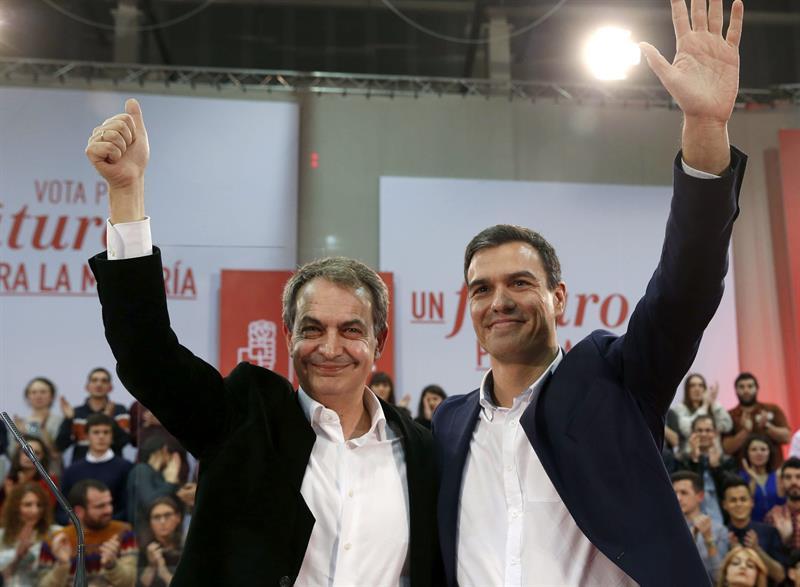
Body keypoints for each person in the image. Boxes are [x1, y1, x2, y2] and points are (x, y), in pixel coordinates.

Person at [431, 0, 747, 584]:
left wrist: (705, 129)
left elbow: (686, 287)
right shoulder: (447, 427)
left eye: (520, 283)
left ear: (560, 298)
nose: (498, 300)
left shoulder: (617, 379)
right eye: (482, 288)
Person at [83, 103, 441, 585]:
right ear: (288, 336)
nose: (330, 347)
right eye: (312, 328)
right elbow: (147, 353)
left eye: (351, 330)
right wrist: (127, 191)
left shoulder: (423, 450)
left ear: (379, 340)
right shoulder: (241, 419)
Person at [38, 480, 137, 587]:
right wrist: (63, 565)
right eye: (100, 506)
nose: (109, 510)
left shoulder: (123, 532)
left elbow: (130, 581)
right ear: (79, 511)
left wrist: (112, 565)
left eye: (109, 503)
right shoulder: (55, 540)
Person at [59, 414, 133, 524]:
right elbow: (61, 509)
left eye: (106, 432)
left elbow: (129, 507)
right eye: (96, 432)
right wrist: (73, 521)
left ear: (112, 436)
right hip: (79, 532)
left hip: (113, 529)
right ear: (87, 436)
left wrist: (104, 523)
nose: (101, 436)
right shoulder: (72, 470)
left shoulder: (126, 467)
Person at [56, 368, 131, 464]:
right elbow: (60, 445)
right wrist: (68, 419)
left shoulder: (119, 410)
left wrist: (108, 420)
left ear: (110, 387)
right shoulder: (76, 413)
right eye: (94, 380)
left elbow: (124, 441)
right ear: (87, 387)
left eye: (104, 381)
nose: (99, 384)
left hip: (113, 467)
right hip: (81, 467)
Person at [721, 478, 785, 584]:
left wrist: (757, 550)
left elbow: (780, 576)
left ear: (751, 502)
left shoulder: (769, 532)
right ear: (724, 505)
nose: (739, 504)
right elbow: (715, 577)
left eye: (743, 499)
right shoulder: (721, 535)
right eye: (733, 500)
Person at [723, 373, 791, 471]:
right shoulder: (730, 415)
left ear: (757, 388)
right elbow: (726, 448)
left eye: (750, 386)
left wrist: (767, 426)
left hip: (774, 471)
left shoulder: (772, 409)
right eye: (742, 387)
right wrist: (745, 432)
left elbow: (787, 437)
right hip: (742, 473)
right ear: (736, 390)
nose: (746, 390)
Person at [680, 414, 738, 526]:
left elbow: (730, 490)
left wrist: (716, 467)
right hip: (690, 521)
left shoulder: (727, 461)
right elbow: (686, 488)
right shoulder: (683, 460)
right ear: (692, 434)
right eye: (699, 430)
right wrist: (694, 461)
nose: (704, 434)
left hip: (722, 521)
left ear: (715, 434)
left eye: (708, 430)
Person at [672, 471, 729, 581]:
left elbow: (720, 577)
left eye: (684, 493)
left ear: (700, 496)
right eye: (675, 493)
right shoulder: (666, 529)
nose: (678, 498)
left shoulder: (719, 530)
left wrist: (708, 538)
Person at [0, 483, 61, 586]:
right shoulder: (2, 536)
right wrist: (18, 556)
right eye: (28, 505)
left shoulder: (56, 534)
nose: (35, 510)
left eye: (39, 505)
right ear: (15, 508)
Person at [126, 436, 182, 535]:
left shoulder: (157, 474)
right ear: (164, 450)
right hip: (143, 534)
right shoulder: (142, 469)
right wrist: (170, 482)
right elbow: (150, 501)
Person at [11, 377, 64, 475]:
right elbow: (12, 454)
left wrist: (44, 432)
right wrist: (18, 435)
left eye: (43, 392)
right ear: (27, 396)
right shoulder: (20, 423)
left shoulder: (60, 421)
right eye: (33, 392)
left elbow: (57, 453)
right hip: (25, 475)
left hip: (51, 474)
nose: (38, 396)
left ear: (52, 396)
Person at [674, 373, 732, 457]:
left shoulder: (712, 407)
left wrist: (713, 402)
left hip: (714, 458)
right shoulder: (680, 408)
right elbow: (687, 429)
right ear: (687, 390)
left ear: (705, 389)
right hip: (690, 459)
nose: (697, 389)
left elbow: (727, 426)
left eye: (700, 385)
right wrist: (705, 406)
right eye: (692, 386)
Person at [1, 436, 58, 513]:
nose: (29, 456)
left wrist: (15, 493)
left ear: (42, 458)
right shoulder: (9, 479)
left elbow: (44, 512)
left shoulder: (49, 481)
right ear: (18, 454)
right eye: (26, 452)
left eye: (36, 453)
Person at [136, 496, 183, 587]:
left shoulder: (186, 547)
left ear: (178, 517)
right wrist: (152, 565)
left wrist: (163, 571)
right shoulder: (144, 548)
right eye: (156, 517)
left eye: (167, 515)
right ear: (150, 522)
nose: (162, 521)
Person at [740, 434, 785, 523]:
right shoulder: (740, 477)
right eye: (754, 450)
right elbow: (744, 505)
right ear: (747, 453)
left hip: (776, 527)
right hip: (752, 528)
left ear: (769, 453)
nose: (759, 453)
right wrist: (753, 479)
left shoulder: (777, 476)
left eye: (763, 449)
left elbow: (783, 503)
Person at [765, 457, 800, 553]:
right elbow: (771, 554)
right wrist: (784, 540)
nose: (794, 482)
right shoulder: (774, 515)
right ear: (782, 482)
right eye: (788, 477)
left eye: (798, 477)